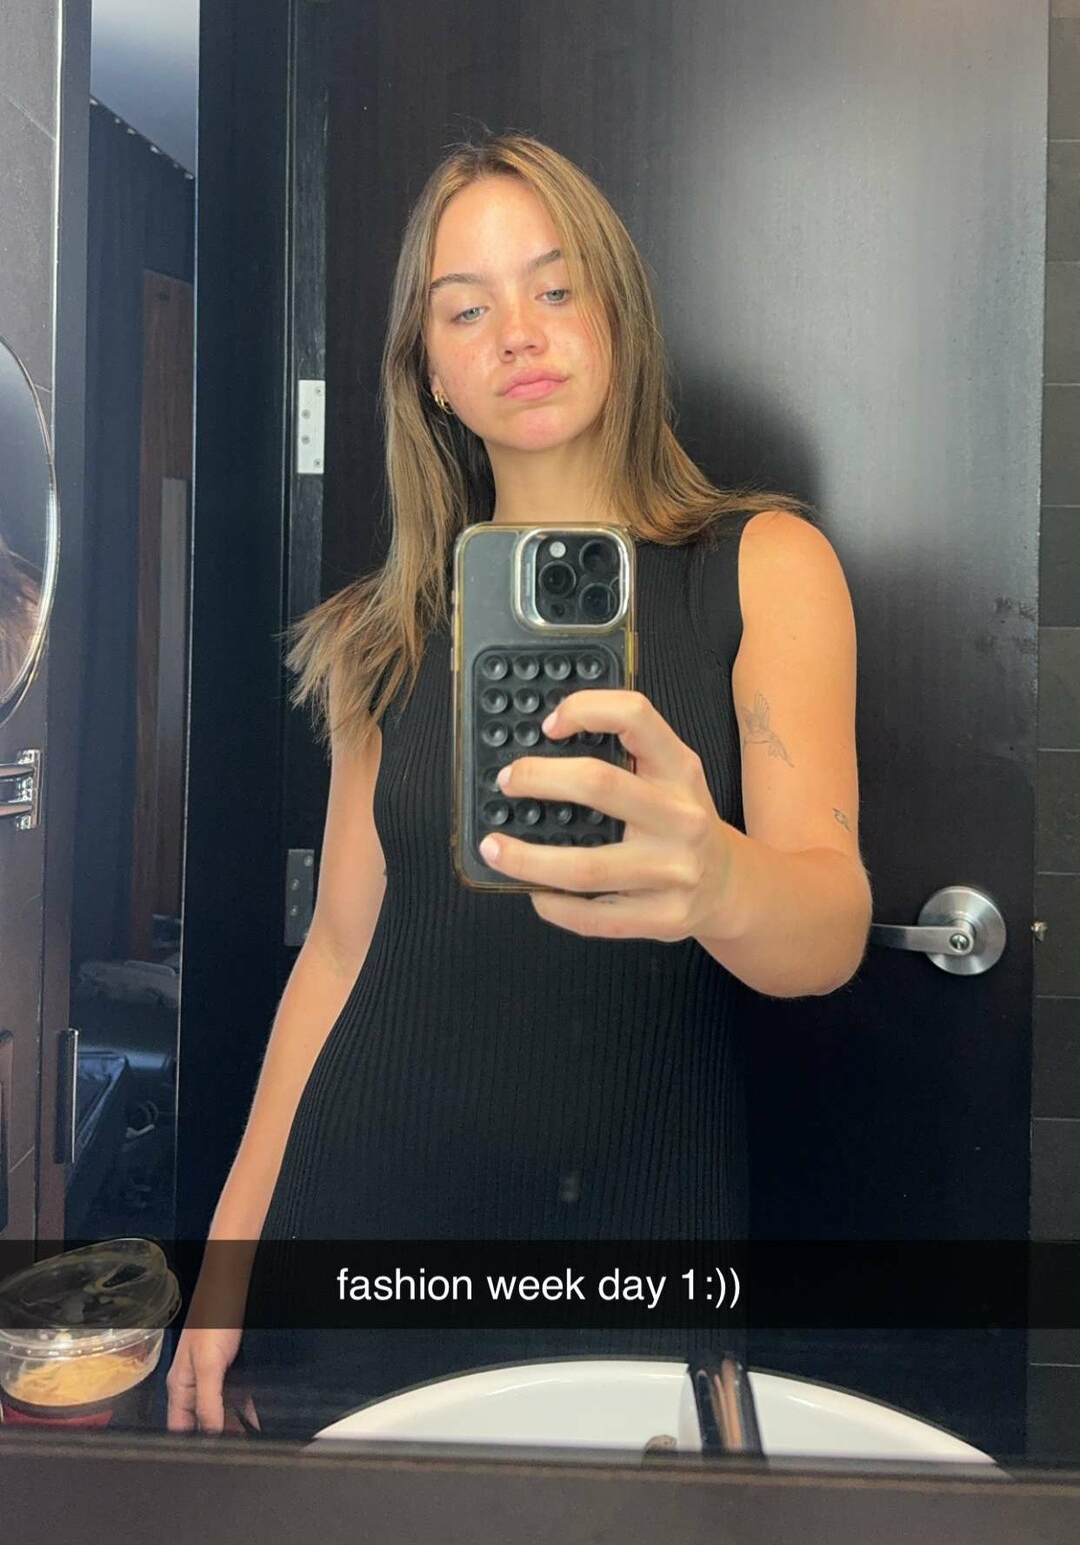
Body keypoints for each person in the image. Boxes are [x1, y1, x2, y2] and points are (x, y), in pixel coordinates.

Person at [166, 133, 872, 1438]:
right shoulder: (383, 628)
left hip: (633, 1230)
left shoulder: (765, 566)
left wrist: (717, 876)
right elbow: (339, 950)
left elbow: (829, 929)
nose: (518, 335)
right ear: (428, 371)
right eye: (466, 310)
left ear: (618, 311)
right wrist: (232, 1241)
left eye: (555, 288)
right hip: (365, 1222)